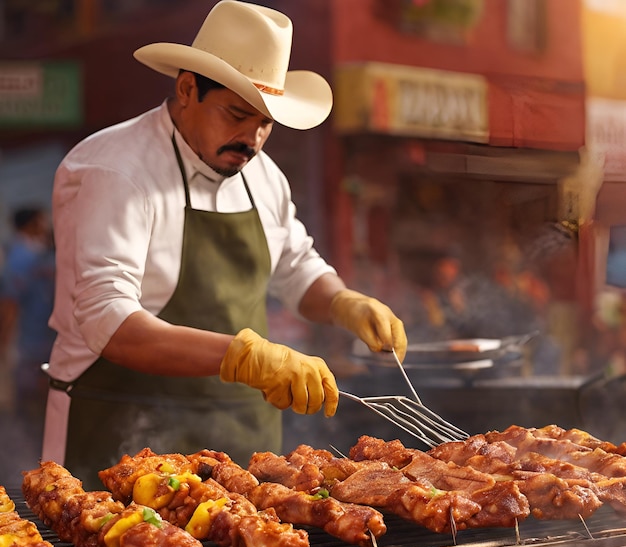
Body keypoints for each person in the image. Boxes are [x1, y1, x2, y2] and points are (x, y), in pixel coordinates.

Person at [42, 0, 406, 489]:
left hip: (241, 442)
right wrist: (244, 357)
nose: (252, 139)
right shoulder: (116, 170)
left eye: (265, 123)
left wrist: (343, 300)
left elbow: (296, 267)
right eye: (236, 114)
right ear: (187, 88)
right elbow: (108, 322)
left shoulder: (263, 176)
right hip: (116, 433)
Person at [0, 205, 56, 474]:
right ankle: (32, 467)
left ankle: (37, 464)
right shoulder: (24, 257)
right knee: (31, 412)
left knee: (35, 412)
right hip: (33, 347)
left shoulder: (35, 255)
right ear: (33, 222)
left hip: (39, 346)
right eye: (41, 220)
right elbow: (9, 306)